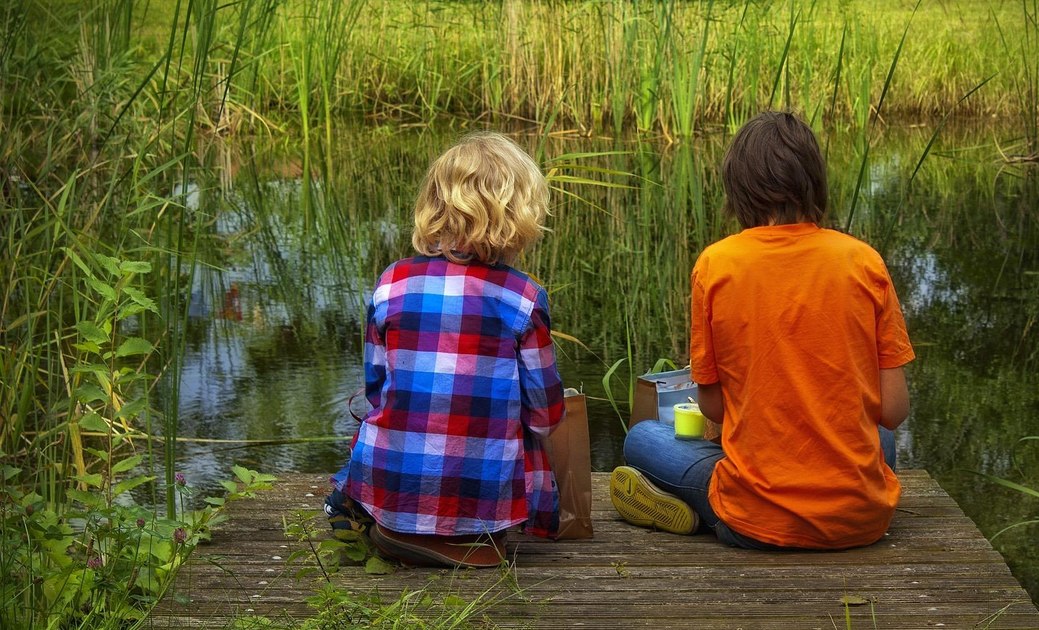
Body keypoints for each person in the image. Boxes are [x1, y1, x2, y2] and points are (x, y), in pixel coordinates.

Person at [611, 111, 915, 551]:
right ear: (815, 180)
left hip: (754, 521)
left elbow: (714, 406)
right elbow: (894, 410)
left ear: (738, 188)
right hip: (860, 520)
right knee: (878, 437)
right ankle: (828, 495)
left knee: (642, 438)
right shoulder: (863, 262)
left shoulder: (717, 265)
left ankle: (703, 511)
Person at [326, 131, 565, 568]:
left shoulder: (391, 281)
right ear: (520, 216)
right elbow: (545, 415)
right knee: (525, 430)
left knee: (379, 412)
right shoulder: (523, 298)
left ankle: (387, 520)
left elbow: (377, 390)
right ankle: (460, 537)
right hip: (483, 493)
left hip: (391, 476)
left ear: (434, 206)